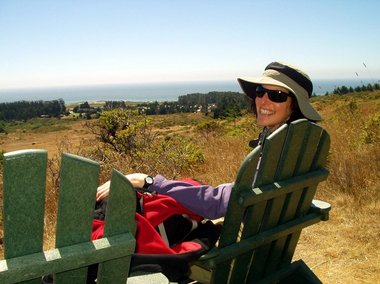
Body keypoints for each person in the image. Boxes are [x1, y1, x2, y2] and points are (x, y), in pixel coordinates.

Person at [96, 61, 322, 219]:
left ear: (296, 106)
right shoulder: (301, 145)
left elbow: (215, 204)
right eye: (260, 91)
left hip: (243, 251)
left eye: (277, 95)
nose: (263, 101)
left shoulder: (279, 151)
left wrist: (147, 181)